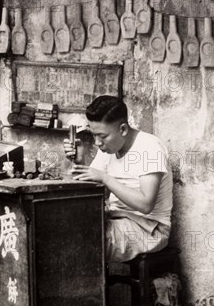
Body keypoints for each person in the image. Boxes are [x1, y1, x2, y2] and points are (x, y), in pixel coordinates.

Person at [64, 96, 172, 263]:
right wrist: (79, 162)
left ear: (122, 129)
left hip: (149, 228)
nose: (97, 142)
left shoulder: (150, 148)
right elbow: (89, 186)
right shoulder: (108, 148)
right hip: (116, 218)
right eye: (94, 135)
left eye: (102, 136)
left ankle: (92, 289)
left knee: (84, 239)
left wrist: (106, 179)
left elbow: (145, 204)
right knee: (61, 227)